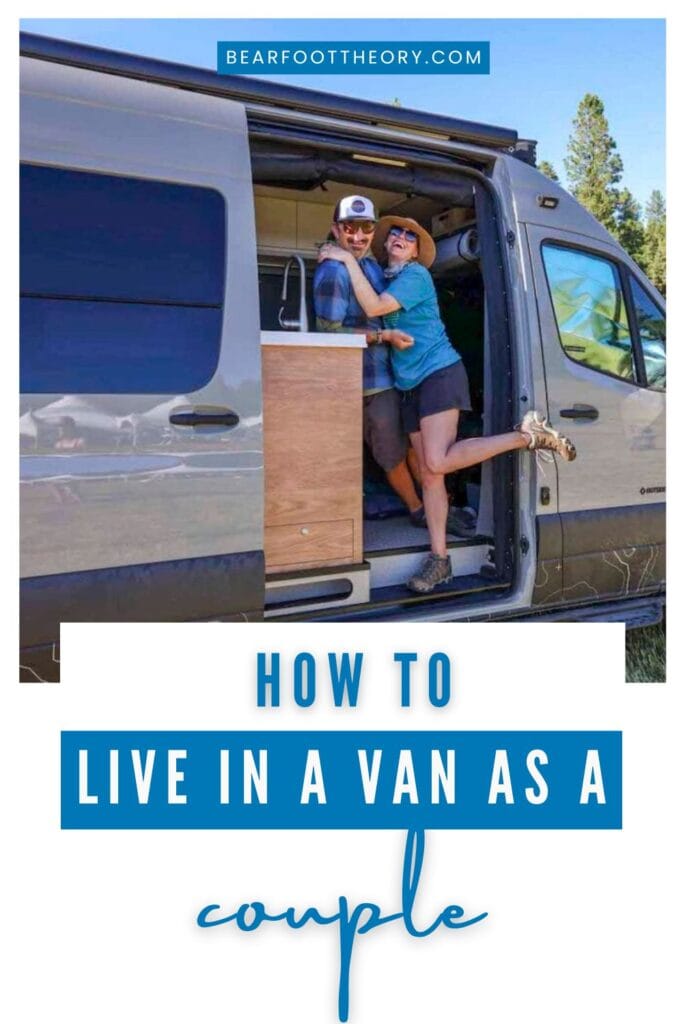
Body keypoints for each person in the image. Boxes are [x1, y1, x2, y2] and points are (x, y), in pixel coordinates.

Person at [319, 215, 577, 594]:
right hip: (408, 384)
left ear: (417, 251)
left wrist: (343, 258)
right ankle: (440, 559)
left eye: (411, 235)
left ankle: (526, 436)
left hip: (439, 373)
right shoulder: (381, 273)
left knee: (437, 461)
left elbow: (373, 307)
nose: (402, 237)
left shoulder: (414, 277)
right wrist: (349, 255)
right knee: (430, 475)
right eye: (396, 232)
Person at [313, 195, 425, 526]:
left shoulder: (369, 264)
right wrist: (382, 337)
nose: (358, 236)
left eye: (365, 228)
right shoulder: (334, 272)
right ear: (336, 229)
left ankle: (435, 501)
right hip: (367, 385)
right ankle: (418, 509)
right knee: (390, 454)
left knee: (407, 447)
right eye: (349, 228)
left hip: (391, 377)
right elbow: (329, 335)